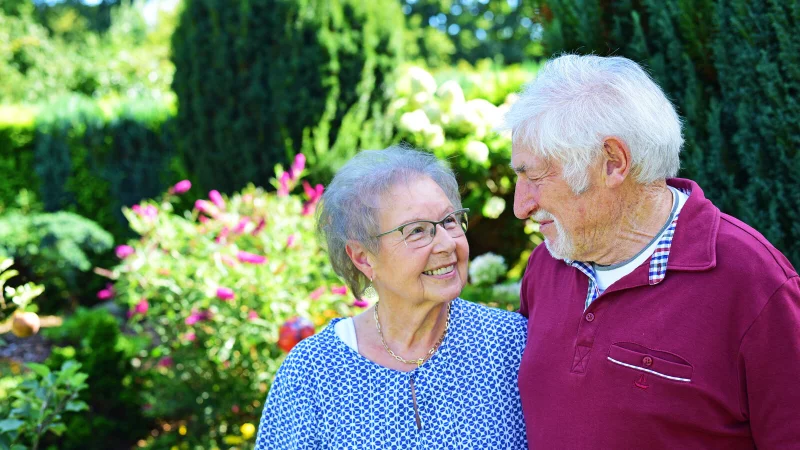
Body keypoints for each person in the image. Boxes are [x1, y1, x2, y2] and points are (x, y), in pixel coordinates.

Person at [503, 54, 800, 449]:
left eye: (535, 176)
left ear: (613, 162)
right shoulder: (546, 263)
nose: (520, 206)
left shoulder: (754, 282)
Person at [254, 146, 528, 449]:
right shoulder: (312, 373)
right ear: (363, 258)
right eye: (417, 231)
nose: (447, 243)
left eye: (450, 221)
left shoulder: (509, 344)